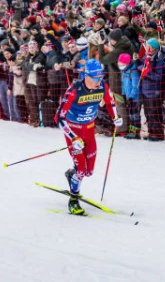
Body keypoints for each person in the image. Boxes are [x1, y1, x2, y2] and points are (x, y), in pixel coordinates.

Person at [55, 58, 121, 215]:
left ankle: (71, 175)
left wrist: (116, 117)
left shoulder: (102, 86)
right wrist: (72, 137)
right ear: (85, 75)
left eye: (100, 77)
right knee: (81, 170)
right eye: (95, 78)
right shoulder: (74, 90)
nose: (98, 81)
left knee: (89, 172)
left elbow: (110, 102)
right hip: (74, 132)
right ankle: (73, 201)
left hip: (89, 130)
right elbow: (59, 118)